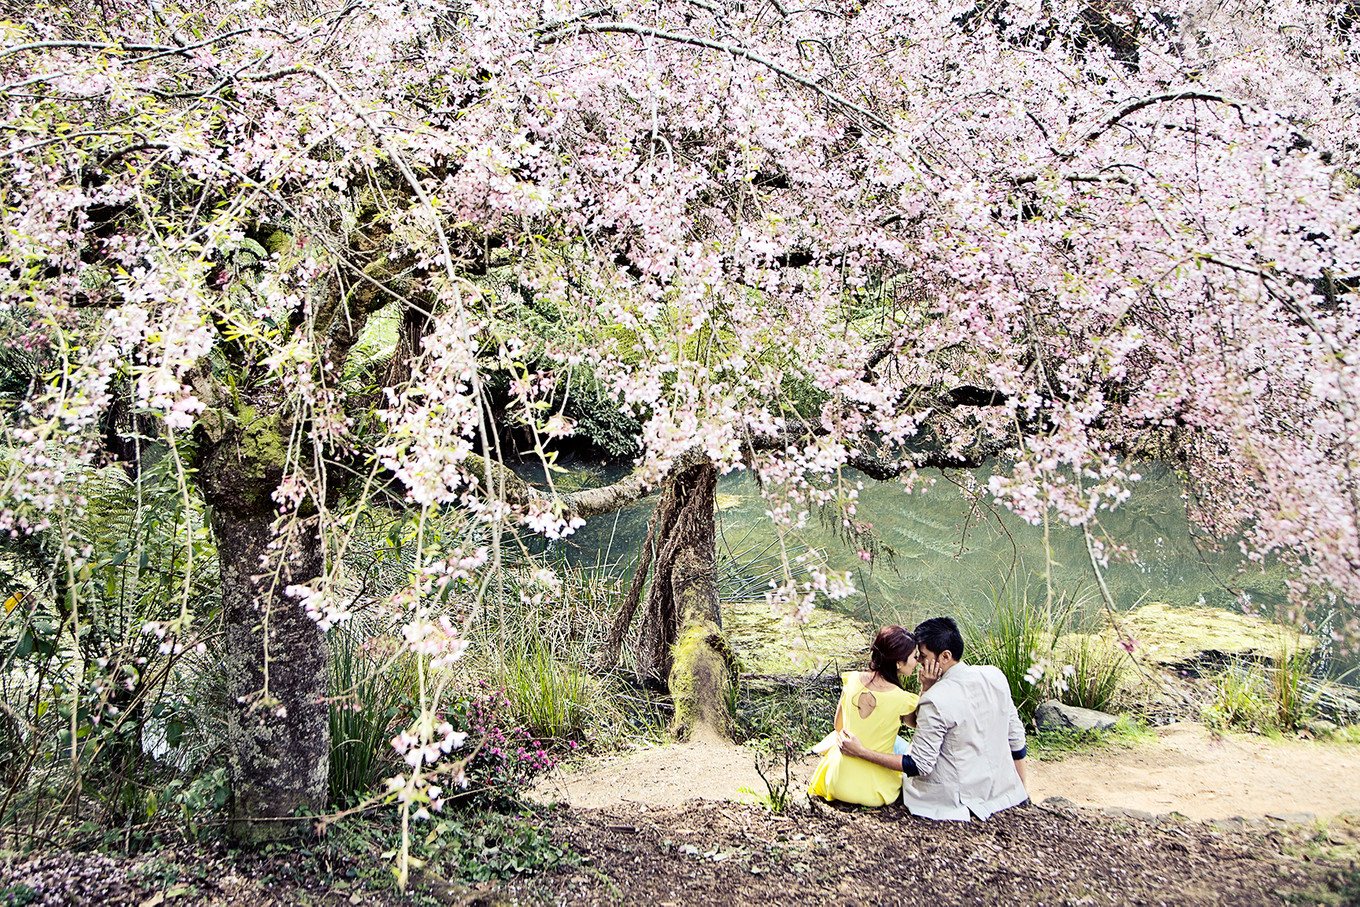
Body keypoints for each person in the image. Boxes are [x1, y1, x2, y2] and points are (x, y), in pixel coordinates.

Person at [839, 616, 1028, 821]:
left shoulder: (936, 700)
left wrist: (862, 752)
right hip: (998, 787)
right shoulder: (995, 676)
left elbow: (918, 765)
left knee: (890, 743)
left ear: (945, 656)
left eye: (922, 655)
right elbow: (1016, 739)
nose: (918, 661)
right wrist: (1020, 790)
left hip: (953, 796)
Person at [807, 625, 920, 807]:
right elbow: (920, 725)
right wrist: (927, 685)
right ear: (899, 663)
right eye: (914, 657)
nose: (917, 661)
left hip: (837, 783)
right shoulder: (903, 700)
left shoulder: (851, 680)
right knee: (901, 745)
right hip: (876, 791)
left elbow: (838, 727)